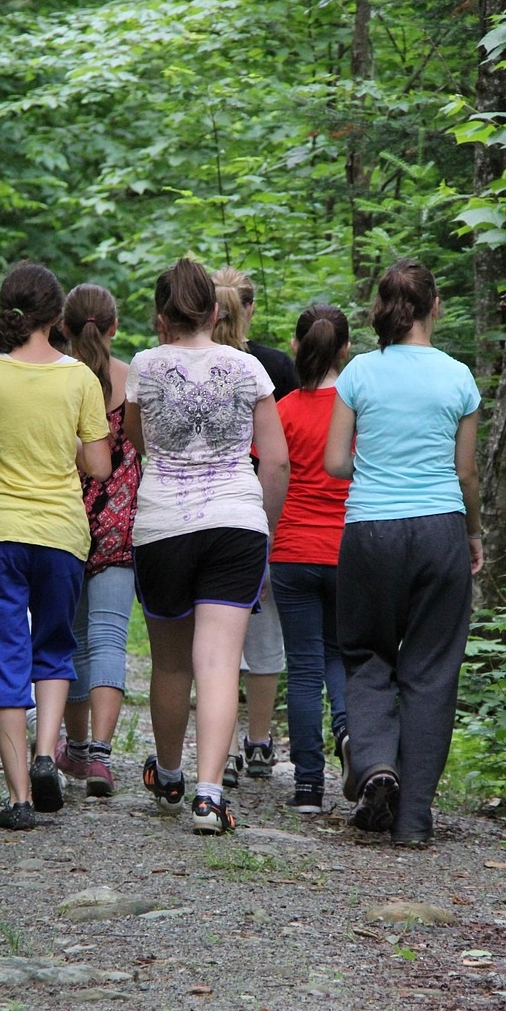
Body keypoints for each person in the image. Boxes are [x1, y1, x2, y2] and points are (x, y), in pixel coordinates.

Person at [124, 258, 289, 835]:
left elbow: (137, 441)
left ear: (160, 316)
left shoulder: (144, 367)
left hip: (165, 524)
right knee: (219, 662)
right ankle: (210, 797)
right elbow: (277, 459)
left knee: (172, 662)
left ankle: (168, 775)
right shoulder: (248, 370)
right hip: (236, 524)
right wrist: (262, 528)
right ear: (216, 312)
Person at [324, 259, 483, 846]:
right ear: (433, 306)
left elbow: (336, 462)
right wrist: (474, 533)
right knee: (432, 672)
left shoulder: (360, 373)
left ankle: (375, 766)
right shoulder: (458, 378)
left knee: (366, 656)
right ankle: (414, 820)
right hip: (440, 528)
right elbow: (466, 473)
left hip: (371, 533)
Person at [0, 261, 111, 831]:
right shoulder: (80, 379)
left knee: (3, 655)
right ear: (55, 315)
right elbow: (98, 464)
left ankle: (18, 797)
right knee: (54, 644)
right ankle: (48, 752)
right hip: (62, 533)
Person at [211, 265, 297, 786]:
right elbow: (283, 453)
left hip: (199, 512)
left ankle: (216, 751)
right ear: (251, 308)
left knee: (212, 640)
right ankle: (260, 741)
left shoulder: (186, 363)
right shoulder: (274, 367)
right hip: (261, 511)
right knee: (264, 635)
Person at [55, 283, 142, 797]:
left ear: (63, 327)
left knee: (69, 640)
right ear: (113, 327)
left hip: (62, 523)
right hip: (118, 525)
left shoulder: (53, 380)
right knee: (108, 637)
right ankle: (104, 758)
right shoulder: (132, 381)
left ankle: (77, 748)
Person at [270, 305, 352, 812]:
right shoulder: (357, 409)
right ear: (346, 349)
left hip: (292, 551)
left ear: (297, 348)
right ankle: (349, 733)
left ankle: (306, 786)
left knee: (301, 668)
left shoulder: (282, 412)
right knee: (343, 655)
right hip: (348, 551)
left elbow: (270, 476)